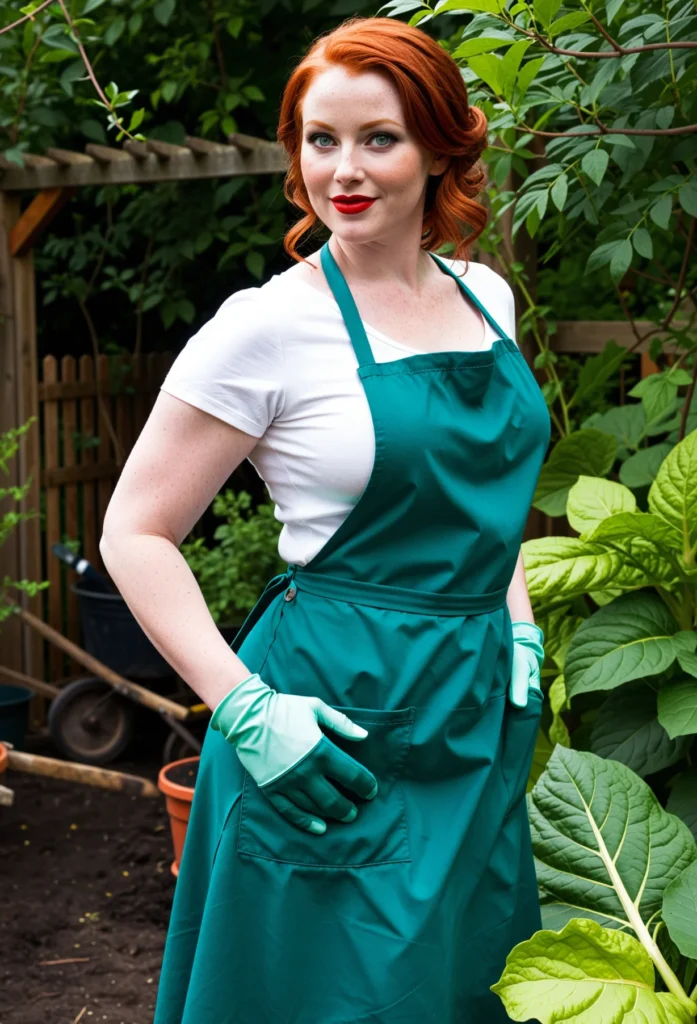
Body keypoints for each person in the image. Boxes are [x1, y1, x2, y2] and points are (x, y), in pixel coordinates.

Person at [100, 14, 551, 1024]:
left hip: (470, 718)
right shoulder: (267, 326)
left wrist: (515, 620)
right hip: (330, 734)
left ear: (438, 149)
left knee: (462, 987)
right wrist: (245, 708)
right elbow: (133, 530)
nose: (343, 169)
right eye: (320, 139)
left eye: (378, 138)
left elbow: (480, 496)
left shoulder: (487, 298)